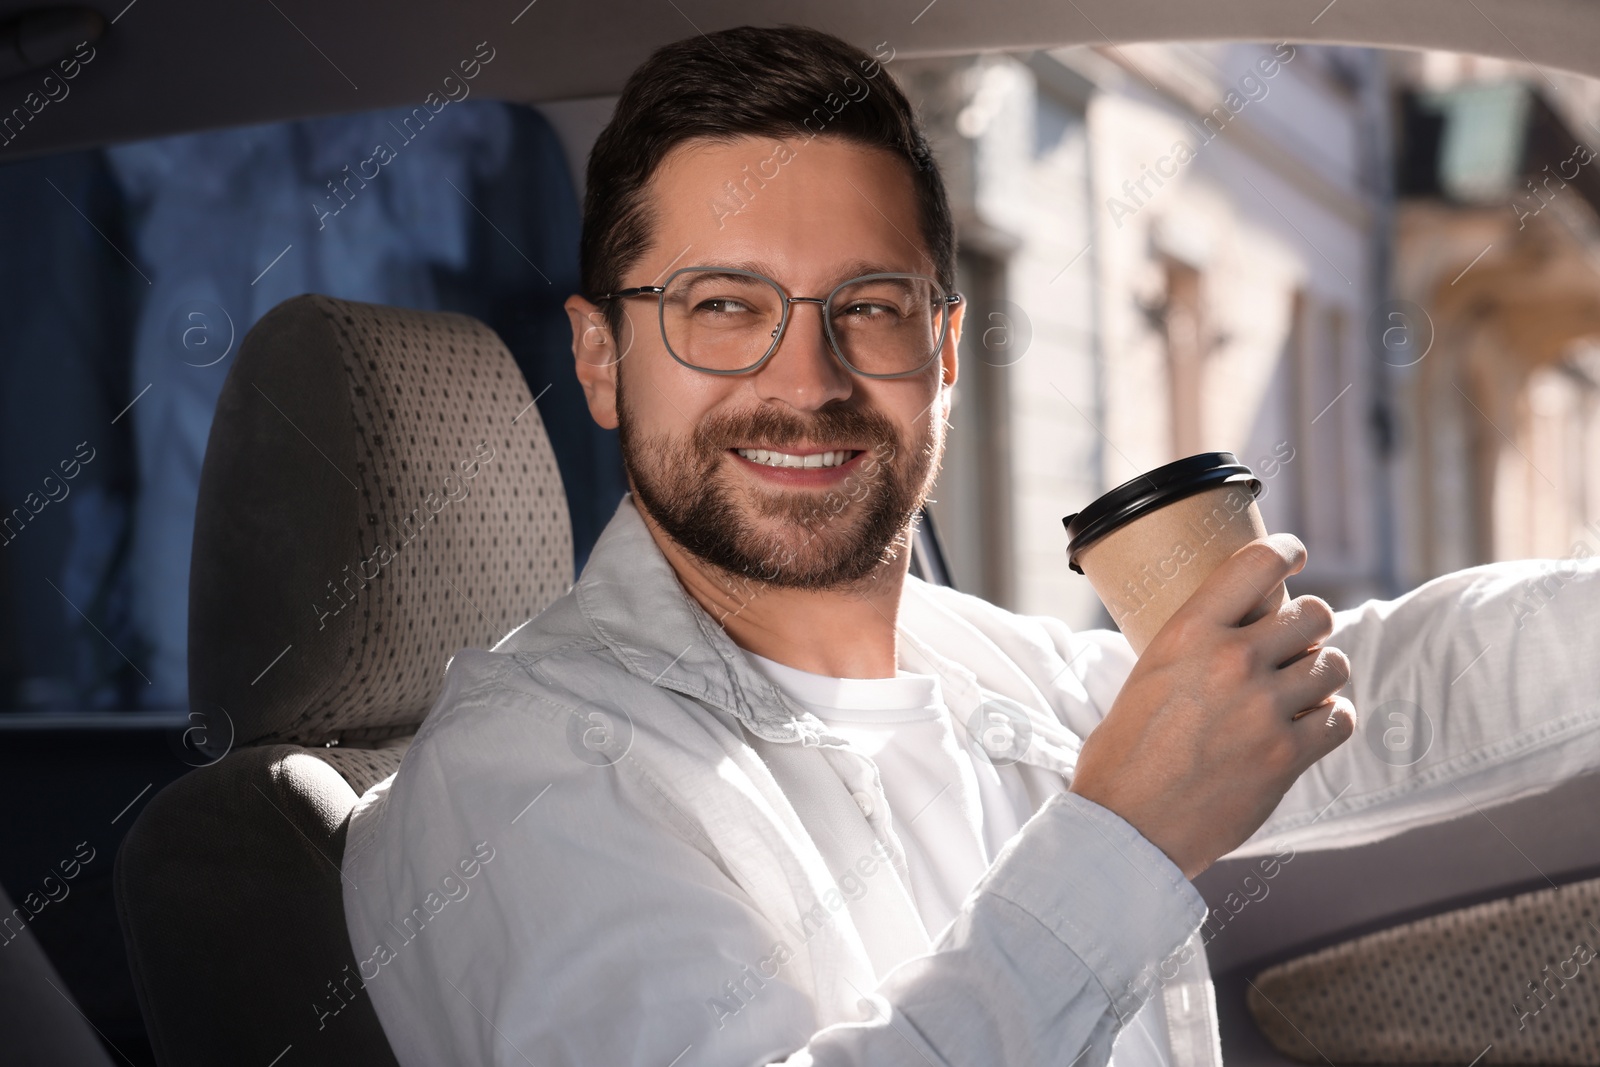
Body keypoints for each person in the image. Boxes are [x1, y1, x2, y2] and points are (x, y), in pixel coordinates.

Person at [341, 25, 1600, 1067]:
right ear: (602, 360)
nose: (808, 377)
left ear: (942, 358)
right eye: (721, 307)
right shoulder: (516, 777)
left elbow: (1371, 698)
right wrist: (1127, 839)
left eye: (868, 308)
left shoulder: (977, 664)